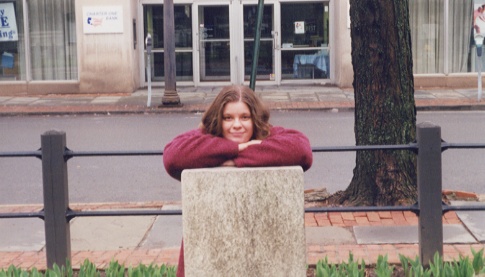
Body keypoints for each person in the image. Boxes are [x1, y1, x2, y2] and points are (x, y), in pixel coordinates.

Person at [163, 85, 313, 277]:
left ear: (255, 119)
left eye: (244, 117)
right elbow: (173, 156)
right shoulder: (205, 136)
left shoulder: (266, 134)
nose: (237, 125)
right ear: (218, 119)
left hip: (259, 249)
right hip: (209, 251)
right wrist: (238, 148)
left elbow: (301, 151)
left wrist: (230, 159)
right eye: (228, 118)